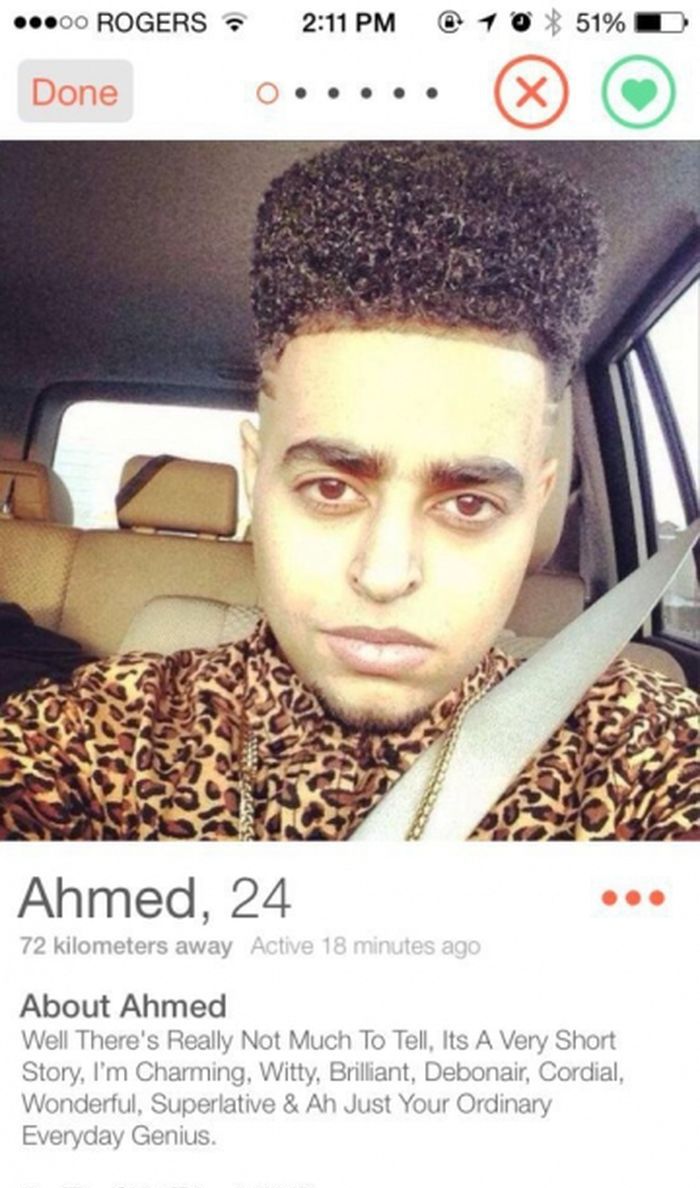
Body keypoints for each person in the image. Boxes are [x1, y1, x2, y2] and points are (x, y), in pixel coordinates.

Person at [0, 142, 697, 840]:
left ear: (536, 505)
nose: (385, 575)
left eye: (469, 503)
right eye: (331, 487)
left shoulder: (635, 752)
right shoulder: (102, 738)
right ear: (257, 477)